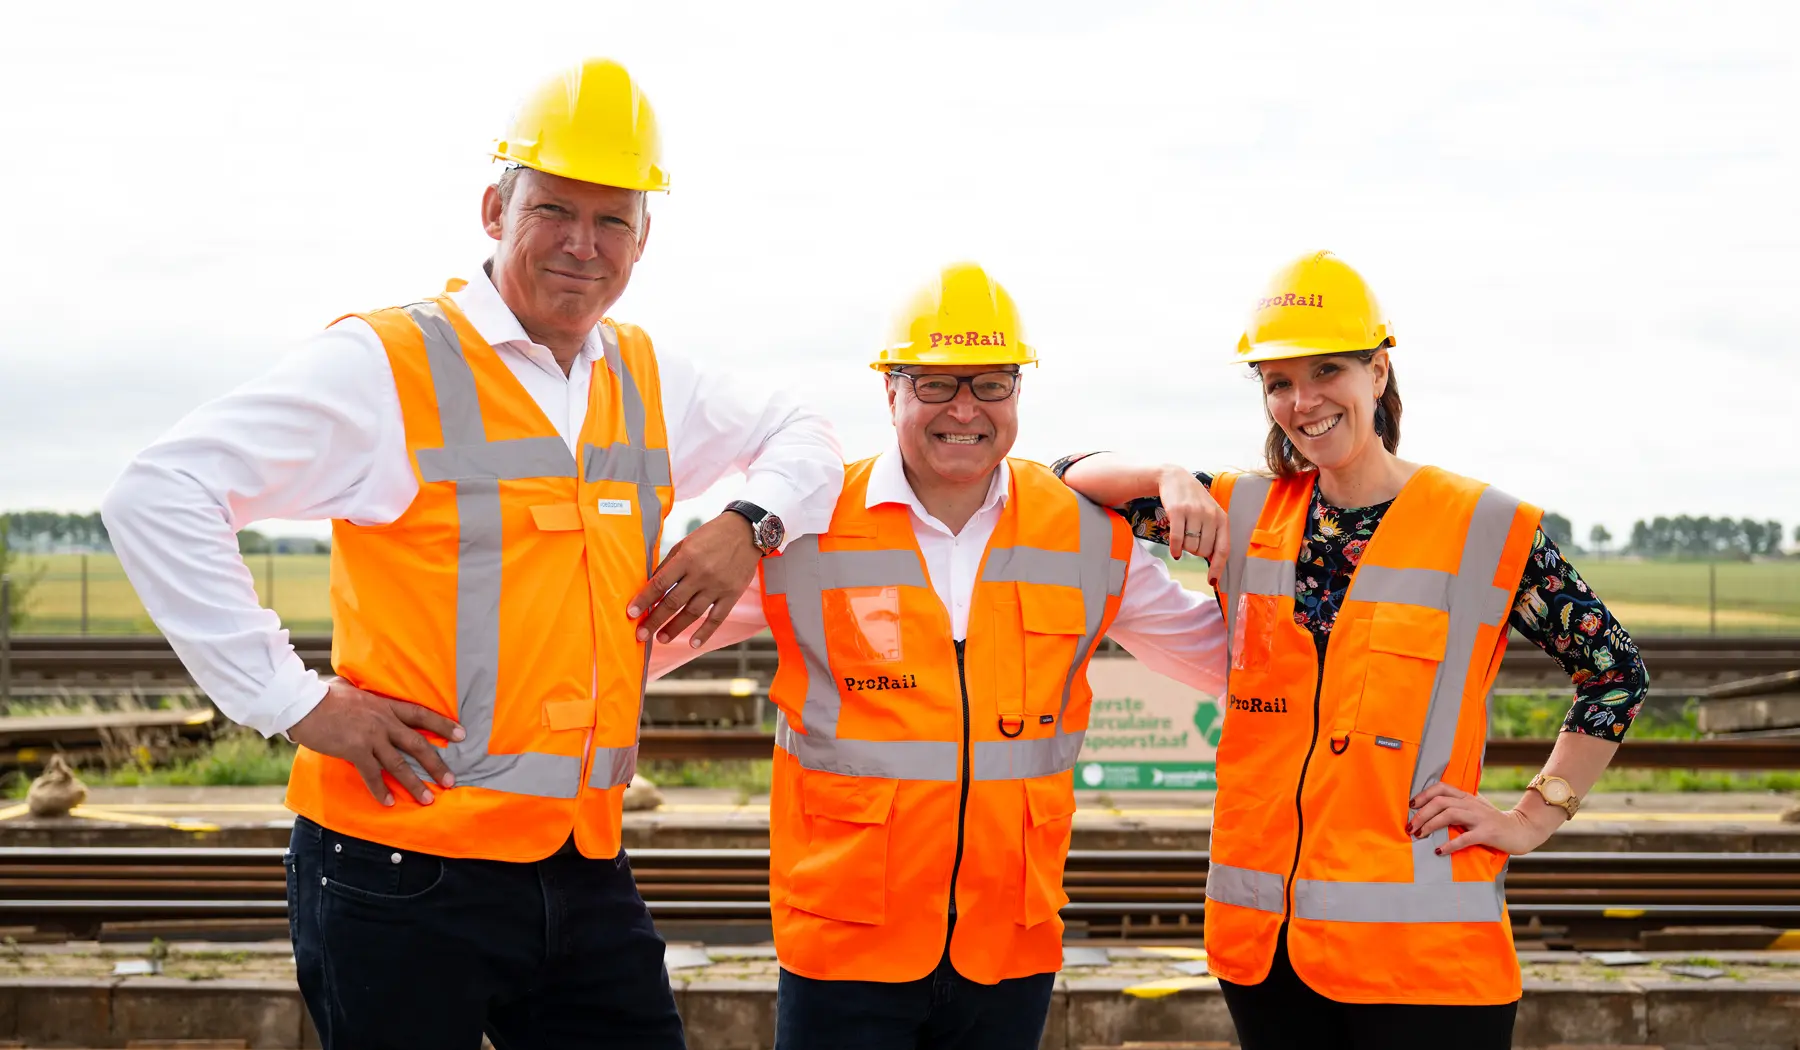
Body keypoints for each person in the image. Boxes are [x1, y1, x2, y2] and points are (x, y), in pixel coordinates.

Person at [101, 57, 844, 1049]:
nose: (582, 243)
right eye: (554, 210)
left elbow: (807, 436)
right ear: (495, 210)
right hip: (400, 866)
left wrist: (748, 525)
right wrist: (292, 701)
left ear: (643, 238)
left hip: (581, 863)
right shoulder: (387, 364)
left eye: (612, 219)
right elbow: (159, 492)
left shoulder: (645, 376)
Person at [1055, 250, 1649, 1050]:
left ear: (1378, 370)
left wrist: (1532, 818)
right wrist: (1168, 475)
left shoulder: (1481, 529)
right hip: (1268, 952)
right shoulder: (1242, 512)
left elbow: (1615, 674)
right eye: (1278, 382)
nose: (1302, 402)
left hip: (1426, 959)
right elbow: (1065, 475)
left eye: (1326, 370)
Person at [650, 262, 1230, 1050]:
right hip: (844, 945)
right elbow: (635, 648)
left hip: (1007, 948)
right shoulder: (807, 528)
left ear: (1018, 392)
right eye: (935, 384)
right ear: (890, 390)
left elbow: (1223, 660)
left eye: (991, 384)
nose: (965, 408)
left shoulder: (1086, 535)